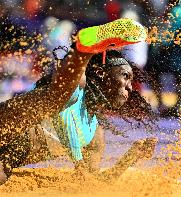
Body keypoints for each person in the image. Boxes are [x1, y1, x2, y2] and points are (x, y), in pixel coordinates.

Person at [0, 18, 157, 184]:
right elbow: (67, 82)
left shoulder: (95, 137)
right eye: (125, 76)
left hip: (8, 157)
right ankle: (83, 51)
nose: (130, 88)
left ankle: (84, 51)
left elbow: (91, 182)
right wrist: (84, 53)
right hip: (10, 121)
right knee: (65, 93)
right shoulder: (74, 89)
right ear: (100, 73)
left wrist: (128, 159)